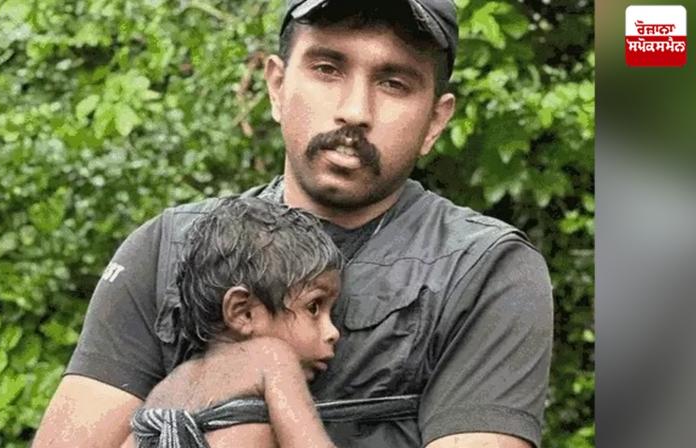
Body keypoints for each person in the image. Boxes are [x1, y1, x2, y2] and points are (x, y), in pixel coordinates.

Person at [33, 1, 554, 447]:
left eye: (394, 82)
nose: (355, 110)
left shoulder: (485, 271)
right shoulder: (167, 247)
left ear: (435, 122)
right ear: (277, 86)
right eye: (328, 68)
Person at [127, 196, 342, 448]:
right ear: (243, 312)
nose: (333, 332)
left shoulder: (167, 388)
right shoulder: (271, 358)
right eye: (314, 307)